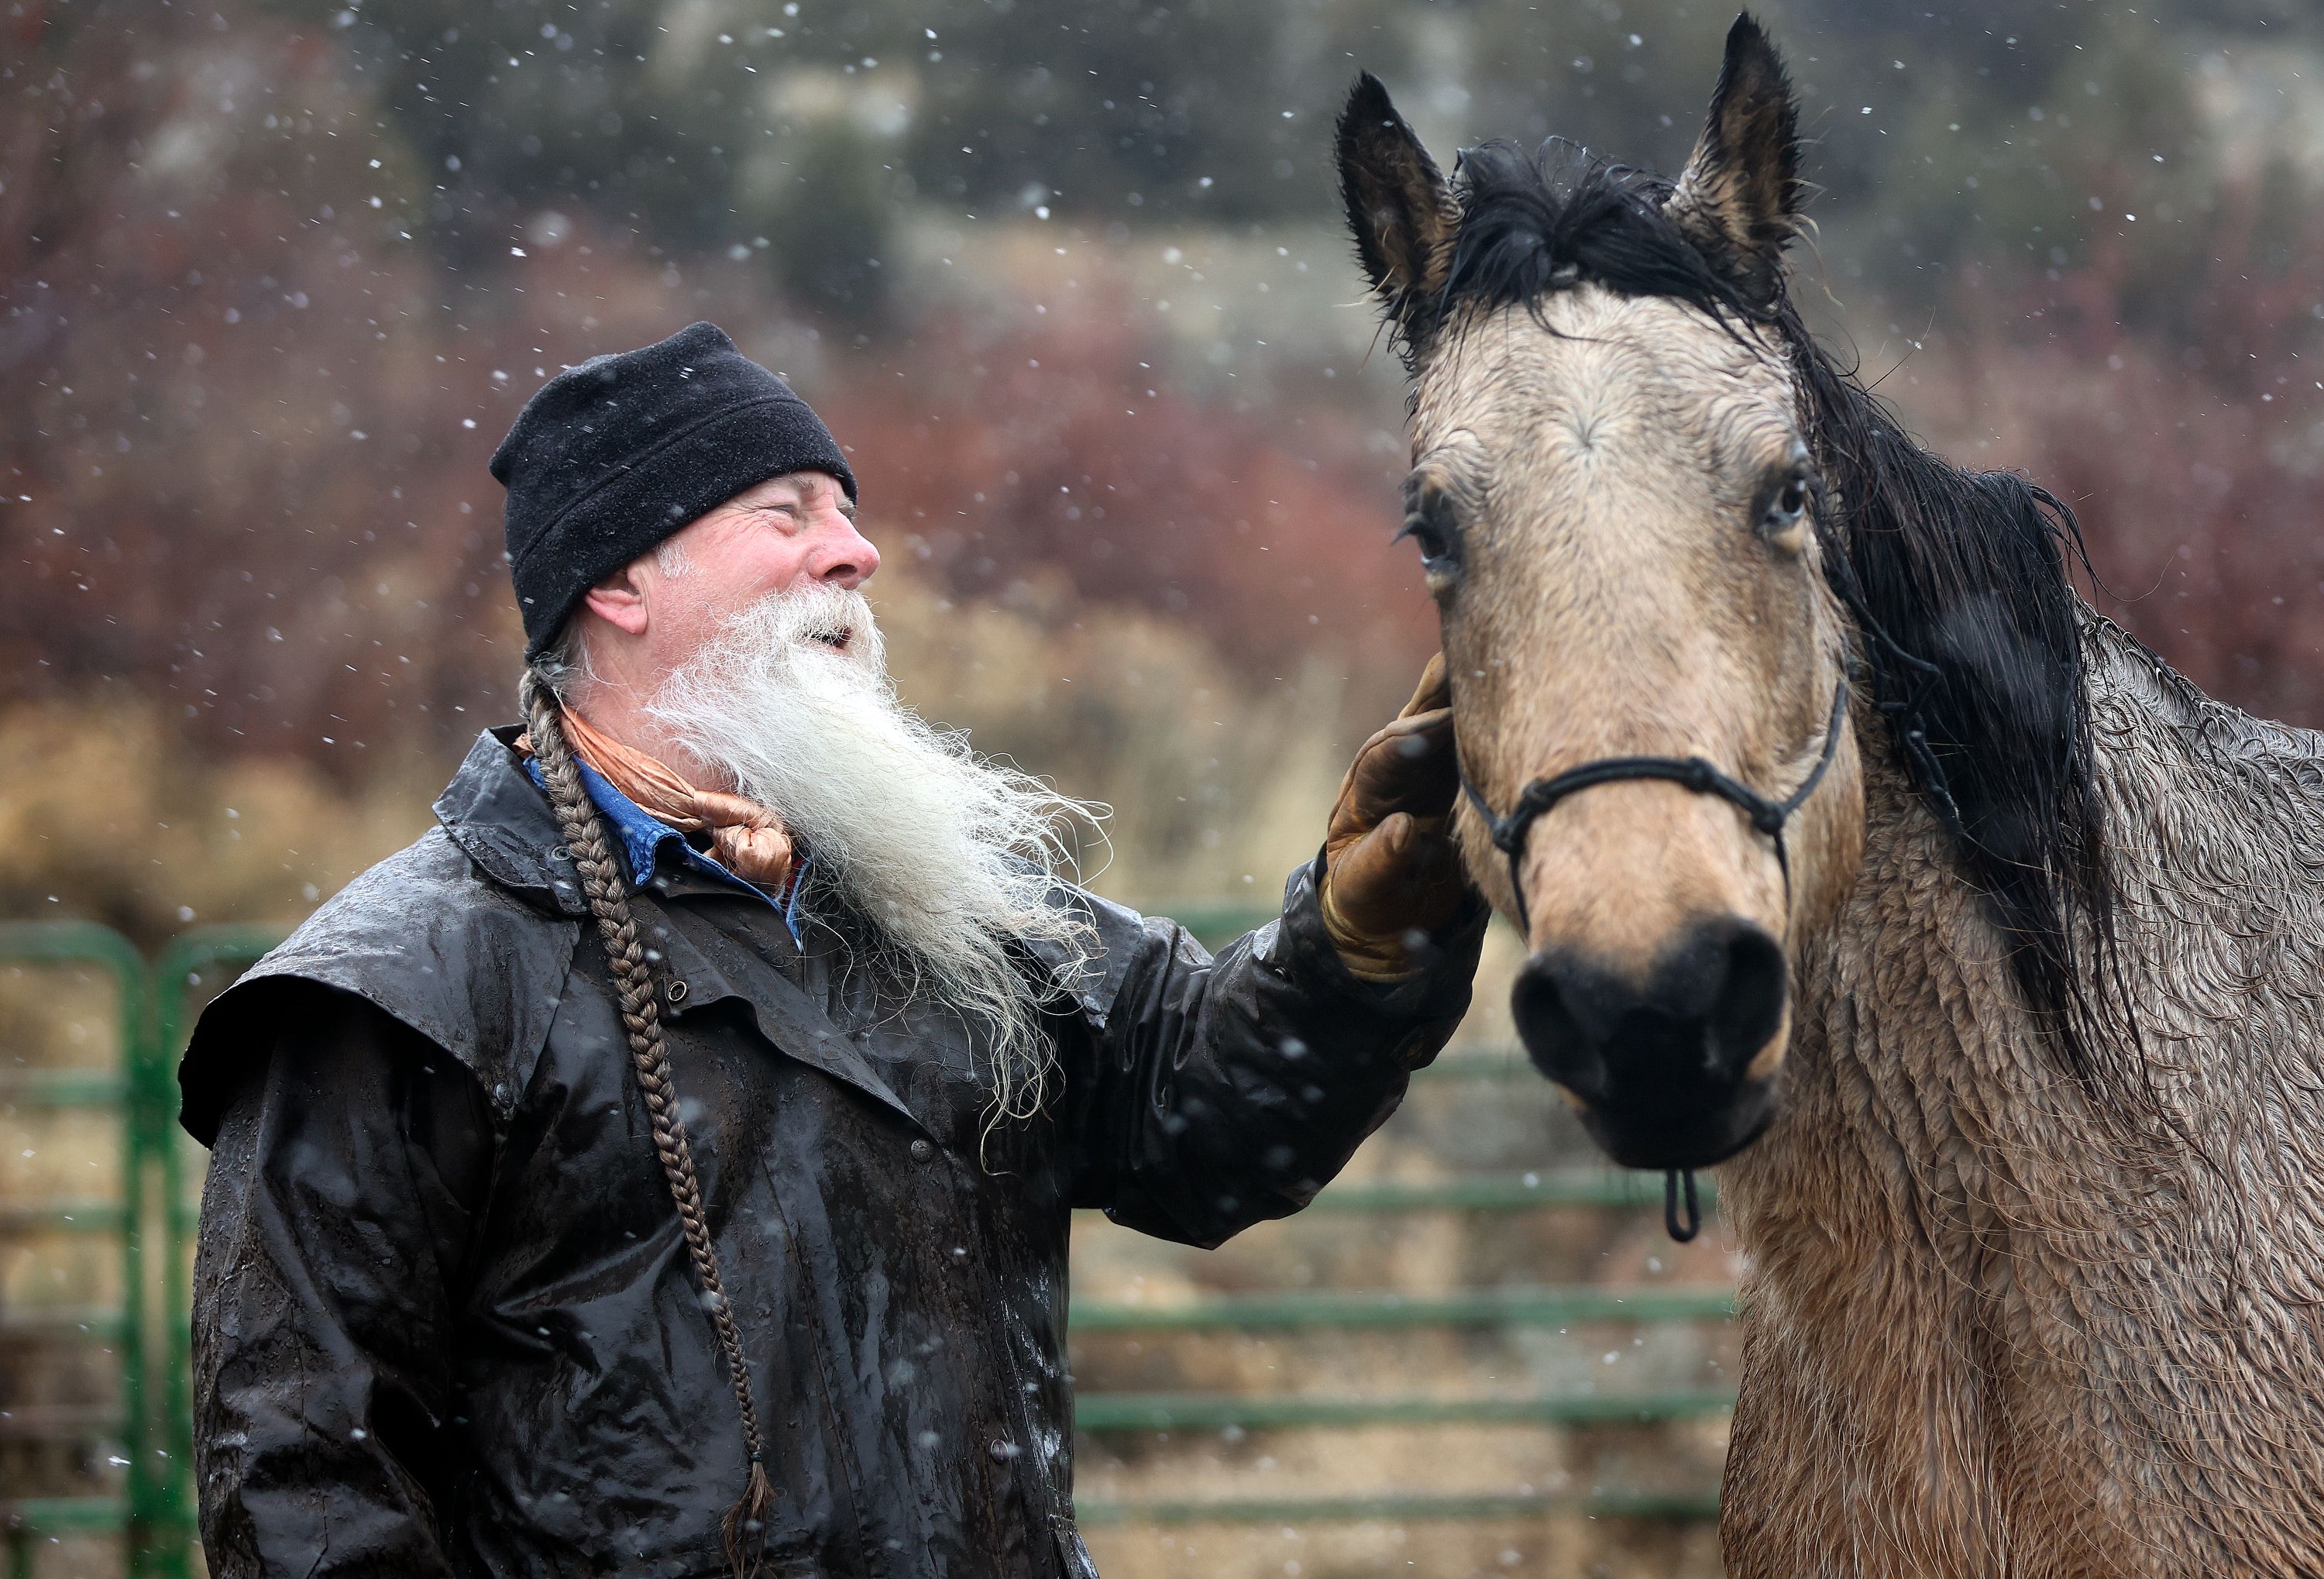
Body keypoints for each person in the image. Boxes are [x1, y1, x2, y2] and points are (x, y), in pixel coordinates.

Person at [178, 322, 1484, 1579]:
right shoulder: (396, 991)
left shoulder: (937, 904)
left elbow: (1203, 1116)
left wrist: (1366, 935)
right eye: (788, 514)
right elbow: (307, 1482)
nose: (856, 554)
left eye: (846, 514)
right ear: (618, 581)